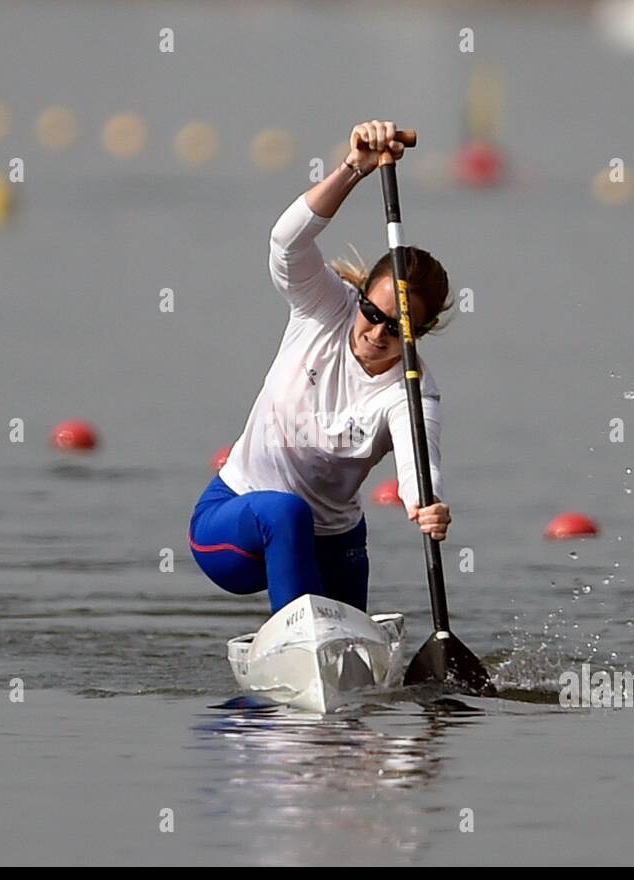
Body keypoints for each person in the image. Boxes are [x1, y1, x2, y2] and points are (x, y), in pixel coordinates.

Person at [188, 120, 453, 614]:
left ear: (421, 333)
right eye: (372, 314)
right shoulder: (323, 306)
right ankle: (300, 637)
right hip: (233, 527)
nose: (376, 333)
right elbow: (286, 243)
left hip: (335, 542)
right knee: (285, 511)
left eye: (398, 329)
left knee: (356, 667)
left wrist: (427, 505)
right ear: (359, 298)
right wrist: (355, 168)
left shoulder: (412, 392)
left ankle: (321, 648)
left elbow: (419, 465)